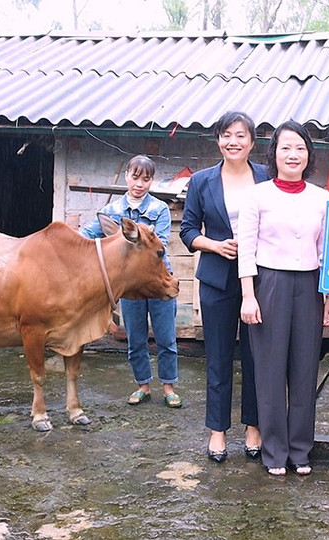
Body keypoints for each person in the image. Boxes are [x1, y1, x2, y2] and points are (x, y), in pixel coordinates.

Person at [238, 120, 329, 477]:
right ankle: (274, 451)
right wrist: (248, 296)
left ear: (309, 155)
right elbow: (245, 249)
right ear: (274, 153)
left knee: (304, 367)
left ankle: (300, 450)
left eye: (300, 148)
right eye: (286, 148)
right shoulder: (257, 195)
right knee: (269, 369)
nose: (293, 154)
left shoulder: (321, 196)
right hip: (269, 284)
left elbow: (325, 250)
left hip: (309, 286)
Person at [180, 111, 269, 463]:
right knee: (217, 357)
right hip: (217, 278)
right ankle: (218, 431)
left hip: (260, 279)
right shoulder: (203, 181)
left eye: (241, 135)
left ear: (252, 141)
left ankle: (253, 426)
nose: (234, 141)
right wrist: (214, 245)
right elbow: (187, 230)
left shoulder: (266, 177)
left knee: (255, 356)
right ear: (218, 139)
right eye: (226, 135)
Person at [81, 155, 181, 408]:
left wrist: (127, 234)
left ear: (151, 181)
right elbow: (87, 234)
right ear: (127, 176)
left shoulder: (159, 209)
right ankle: (143, 386)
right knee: (135, 338)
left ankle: (169, 387)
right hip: (129, 286)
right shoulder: (112, 212)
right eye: (135, 177)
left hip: (157, 282)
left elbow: (162, 245)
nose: (139, 184)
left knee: (165, 337)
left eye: (145, 179)